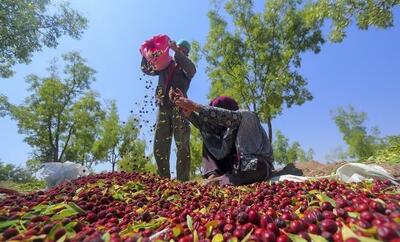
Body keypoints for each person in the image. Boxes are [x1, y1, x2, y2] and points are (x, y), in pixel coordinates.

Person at [169, 88, 274, 186]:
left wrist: (195, 106)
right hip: (231, 168)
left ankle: (221, 180)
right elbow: (203, 124)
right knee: (208, 134)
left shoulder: (245, 116)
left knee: (257, 167)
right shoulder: (223, 130)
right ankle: (214, 174)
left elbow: (224, 116)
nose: (216, 124)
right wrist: (187, 110)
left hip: (253, 164)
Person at [141, 40, 196, 181]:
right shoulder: (165, 64)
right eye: (179, 48)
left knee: (182, 145)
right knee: (160, 144)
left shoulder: (188, 67)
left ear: (187, 53)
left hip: (180, 108)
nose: (180, 51)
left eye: (184, 50)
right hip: (163, 107)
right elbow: (148, 69)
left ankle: (183, 181)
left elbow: (191, 71)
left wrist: (177, 52)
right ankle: (163, 180)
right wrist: (145, 53)